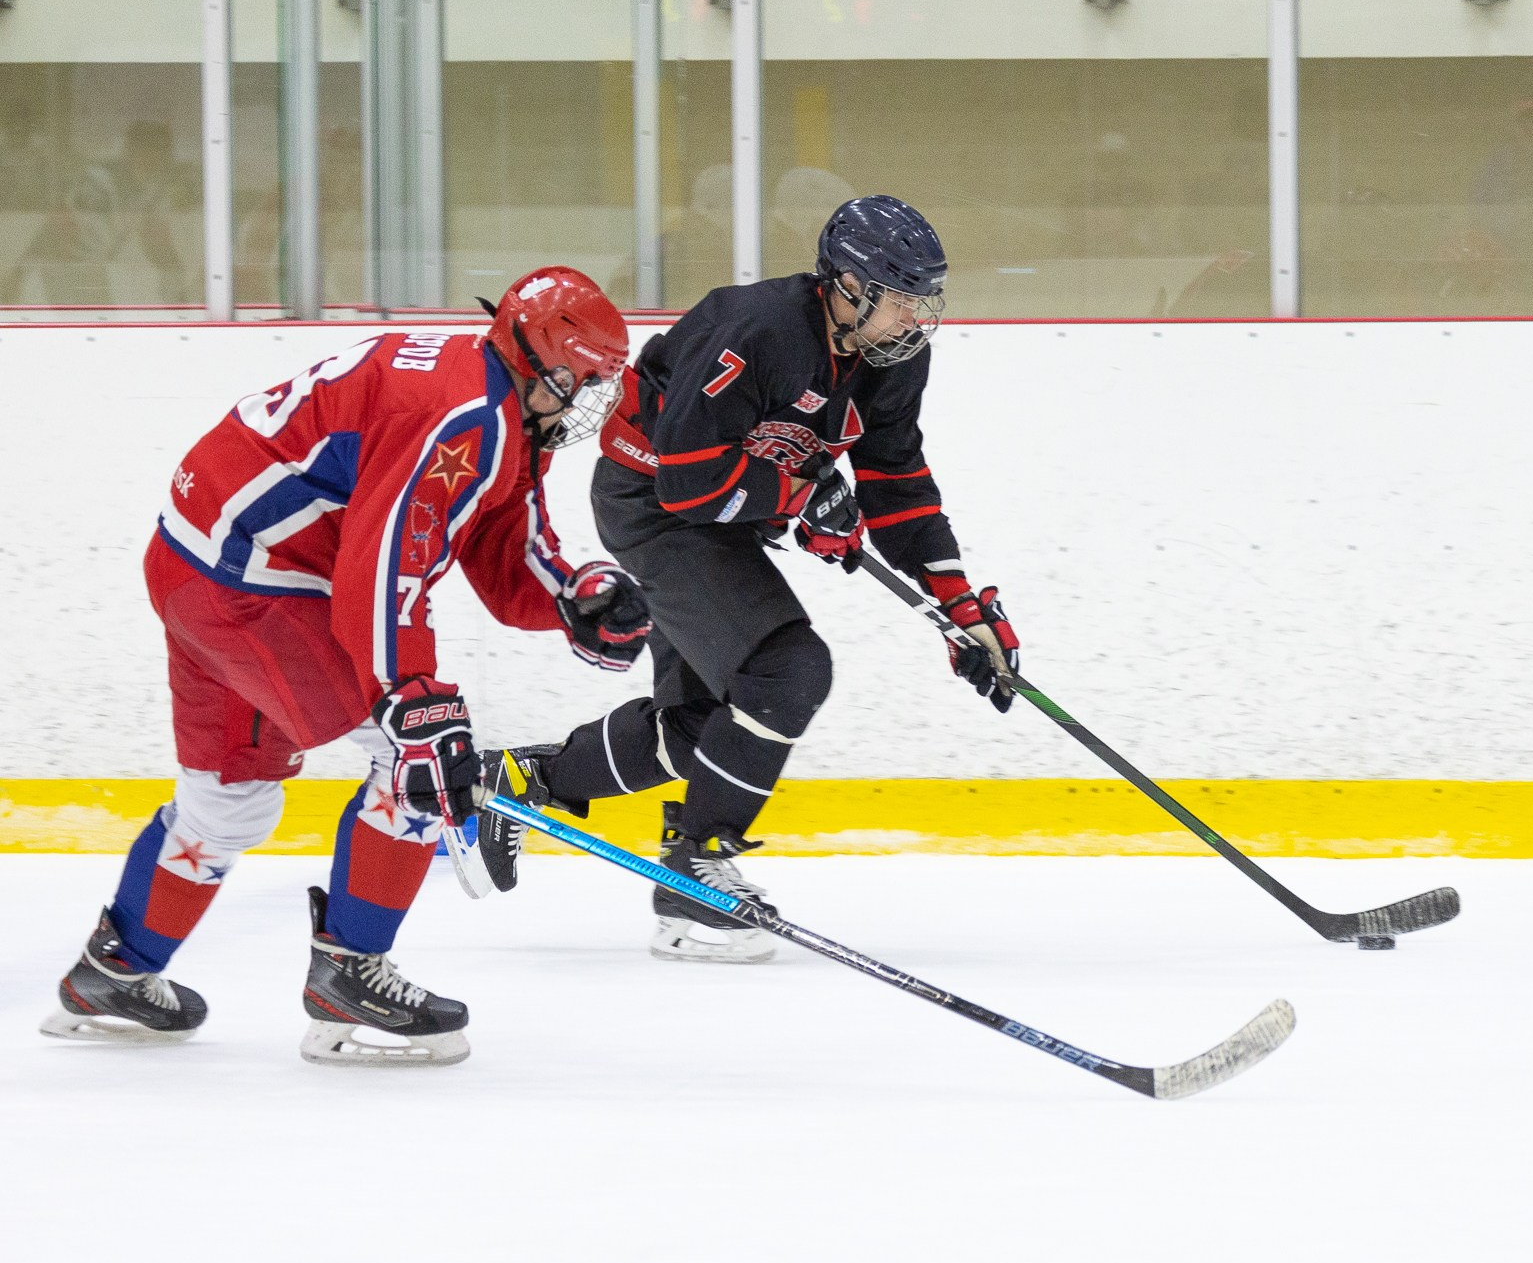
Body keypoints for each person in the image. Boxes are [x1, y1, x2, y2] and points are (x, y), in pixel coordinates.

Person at [45, 269, 653, 1066]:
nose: (585, 401)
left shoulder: (494, 401)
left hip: (202, 565)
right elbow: (385, 563)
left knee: (227, 801)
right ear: (546, 361)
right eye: (584, 380)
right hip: (251, 584)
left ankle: (115, 970)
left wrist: (573, 593)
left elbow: (503, 533)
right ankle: (349, 975)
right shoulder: (468, 416)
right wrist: (410, 694)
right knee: (416, 759)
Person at [474, 196, 1019, 963]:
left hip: (725, 516)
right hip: (654, 506)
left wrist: (958, 604)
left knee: (702, 726)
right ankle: (695, 870)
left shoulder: (892, 356)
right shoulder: (756, 329)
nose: (914, 317)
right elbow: (686, 481)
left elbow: (895, 476)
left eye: (921, 299)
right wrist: (801, 499)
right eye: (900, 297)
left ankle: (522, 780)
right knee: (786, 671)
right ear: (848, 285)